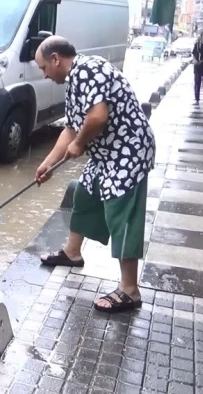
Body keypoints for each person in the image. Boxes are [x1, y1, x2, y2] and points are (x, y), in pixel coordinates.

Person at [34, 35, 155, 314]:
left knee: (121, 211)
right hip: (106, 153)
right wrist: (48, 163)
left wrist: (78, 145)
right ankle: (72, 253)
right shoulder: (74, 81)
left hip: (129, 150)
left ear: (56, 59)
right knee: (86, 191)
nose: (44, 74)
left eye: (43, 68)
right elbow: (71, 129)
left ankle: (129, 290)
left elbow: (98, 117)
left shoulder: (89, 69)